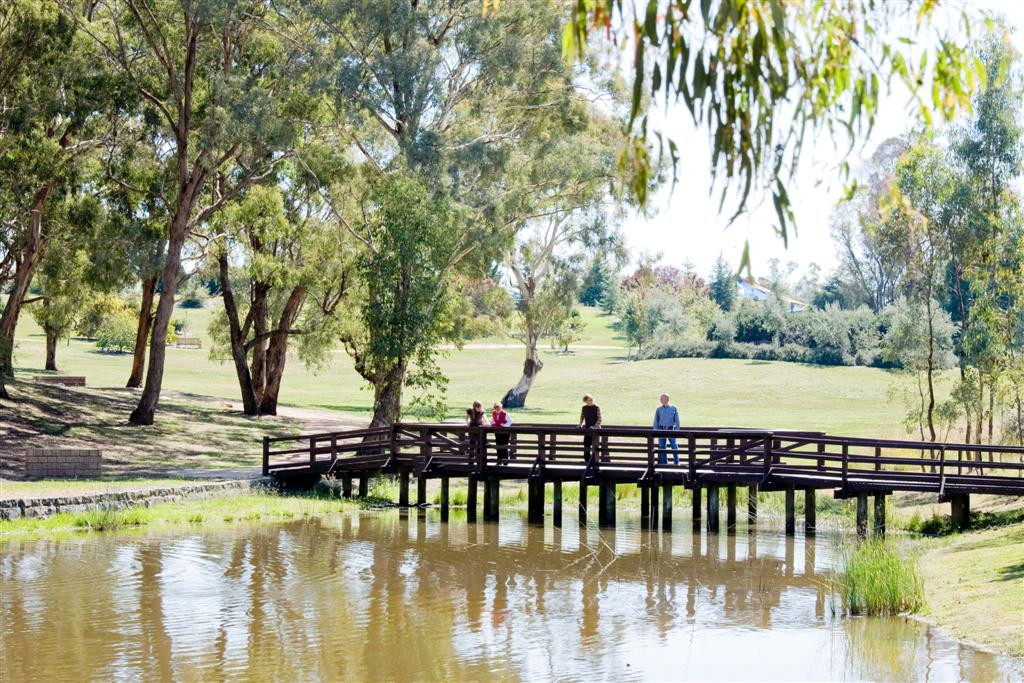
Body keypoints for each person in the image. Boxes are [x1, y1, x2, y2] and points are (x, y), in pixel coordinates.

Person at [652, 393, 680, 465]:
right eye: (661, 399)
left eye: (662, 399)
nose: (661, 400)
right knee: (662, 447)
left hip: (671, 430)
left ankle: (676, 463)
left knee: (674, 446)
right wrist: (656, 430)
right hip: (661, 430)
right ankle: (665, 463)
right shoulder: (659, 409)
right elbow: (656, 420)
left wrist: (677, 430)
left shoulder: (673, 408)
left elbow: (677, 420)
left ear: (667, 399)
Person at [579, 394, 602, 461]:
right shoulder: (584, 408)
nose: (591, 401)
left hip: (596, 430)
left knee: (595, 446)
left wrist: (594, 427)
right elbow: (582, 417)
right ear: (585, 401)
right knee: (586, 445)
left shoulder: (596, 407)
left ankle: (595, 461)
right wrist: (580, 424)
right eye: (589, 400)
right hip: (587, 429)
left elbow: (599, 419)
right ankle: (587, 461)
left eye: (591, 399)